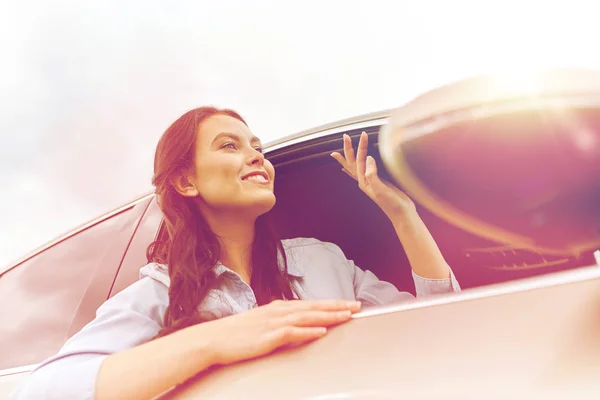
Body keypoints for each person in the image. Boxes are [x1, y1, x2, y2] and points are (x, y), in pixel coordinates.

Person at [11, 106, 460, 400]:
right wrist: (214, 341)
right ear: (187, 182)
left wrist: (403, 215)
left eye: (258, 149)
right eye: (230, 146)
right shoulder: (157, 295)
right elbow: (42, 392)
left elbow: (446, 326)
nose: (257, 159)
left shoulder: (325, 261)